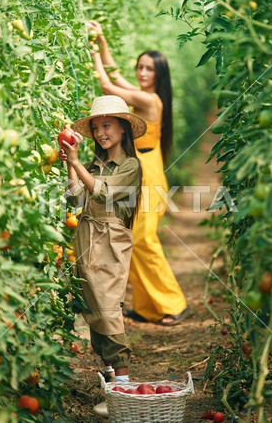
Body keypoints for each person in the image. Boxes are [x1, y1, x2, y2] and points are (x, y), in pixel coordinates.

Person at [87, 20, 189, 326]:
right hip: (142, 170)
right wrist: (103, 43)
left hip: (149, 175)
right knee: (134, 237)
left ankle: (173, 303)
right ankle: (147, 307)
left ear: (159, 75)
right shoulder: (146, 95)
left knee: (144, 239)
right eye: (140, 67)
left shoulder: (150, 100)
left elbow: (108, 87)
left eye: (149, 69)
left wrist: (92, 53)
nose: (142, 73)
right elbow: (116, 76)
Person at [58, 95, 146, 399]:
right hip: (86, 237)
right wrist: (72, 165)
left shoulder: (131, 165)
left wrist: (74, 164)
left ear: (123, 128)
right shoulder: (93, 165)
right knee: (93, 306)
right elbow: (76, 200)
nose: (100, 133)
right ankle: (110, 380)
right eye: (95, 128)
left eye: (106, 126)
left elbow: (102, 192)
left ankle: (122, 387)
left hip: (110, 241)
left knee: (108, 309)